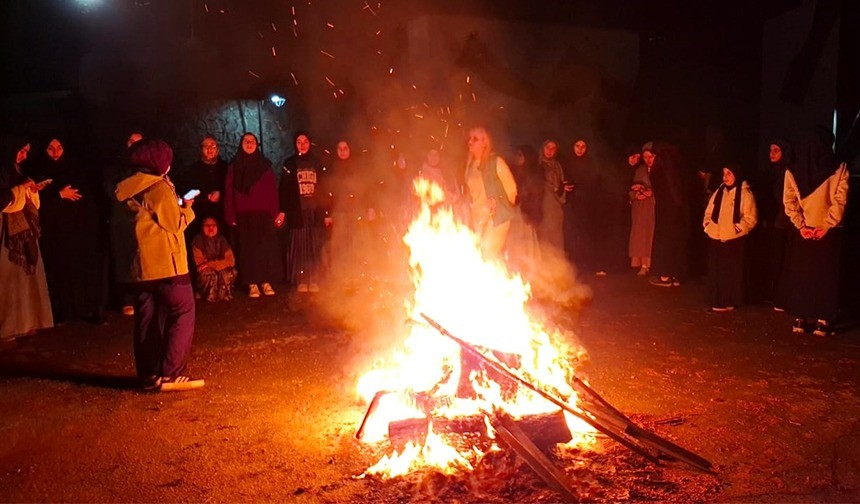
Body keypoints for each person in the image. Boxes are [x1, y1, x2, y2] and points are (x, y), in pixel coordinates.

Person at [113, 138, 203, 391]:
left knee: (146, 317)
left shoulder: (124, 186)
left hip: (140, 267)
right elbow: (174, 223)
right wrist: (187, 208)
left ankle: (149, 375)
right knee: (183, 310)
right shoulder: (157, 187)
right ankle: (173, 372)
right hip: (167, 264)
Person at [779, 129, 849, 337]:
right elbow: (840, 200)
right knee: (824, 278)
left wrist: (801, 225)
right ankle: (823, 320)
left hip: (805, 232)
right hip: (829, 232)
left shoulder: (792, 170)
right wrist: (827, 224)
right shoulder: (839, 168)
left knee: (803, 275)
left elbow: (788, 201)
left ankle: (800, 318)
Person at [30, 137, 106, 325]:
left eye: (59, 147)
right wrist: (57, 194)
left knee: (82, 268)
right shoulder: (38, 172)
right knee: (59, 270)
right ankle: (61, 312)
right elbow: (34, 202)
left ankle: (88, 309)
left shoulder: (75, 170)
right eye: (50, 148)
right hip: (54, 232)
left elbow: (87, 199)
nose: (55, 152)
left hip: (78, 230)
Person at [0, 139, 54, 341]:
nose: (23, 156)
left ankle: (27, 322)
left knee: (25, 280)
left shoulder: (16, 169)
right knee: (7, 280)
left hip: (23, 232)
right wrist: (18, 189)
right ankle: (8, 327)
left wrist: (30, 190)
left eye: (26, 152)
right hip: (6, 233)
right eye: (21, 151)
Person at [224, 132, 282, 298]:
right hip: (244, 214)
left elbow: (272, 191)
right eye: (245, 141)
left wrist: (275, 212)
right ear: (241, 145)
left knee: (264, 249)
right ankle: (251, 283)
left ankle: (265, 281)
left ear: (257, 145)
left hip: (263, 214)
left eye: (252, 141)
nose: (249, 144)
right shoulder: (234, 167)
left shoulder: (265, 166)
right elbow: (229, 192)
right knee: (248, 251)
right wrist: (231, 215)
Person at [279, 131, 330, 292]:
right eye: (299, 142)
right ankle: (300, 279)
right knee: (299, 248)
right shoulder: (290, 163)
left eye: (305, 141)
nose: (302, 145)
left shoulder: (317, 162)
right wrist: (283, 211)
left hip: (314, 212)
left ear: (310, 143)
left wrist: (326, 212)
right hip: (298, 213)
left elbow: (325, 188)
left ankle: (314, 279)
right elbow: (284, 190)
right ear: (295, 144)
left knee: (314, 248)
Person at [702, 164, 758, 312]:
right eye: (724, 173)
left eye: (729, 173)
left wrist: (736, 230)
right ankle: (717, 299)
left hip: (734, 240)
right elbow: (709, 211)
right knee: (716, 271)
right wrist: (709, 226)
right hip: (717, 237)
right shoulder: (719, 192)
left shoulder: (745, 193)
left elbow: (750, 218)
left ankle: (730, 300)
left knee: (732, 272)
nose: (725, 177)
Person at [463, 126, 518, 260]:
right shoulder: (470, 166)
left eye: (475, 139)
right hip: (477, 217)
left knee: (486, 255)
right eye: (469, 138)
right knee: (478, 255)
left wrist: (498, 205)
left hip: (496, 219)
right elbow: (470, 193)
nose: (470, 142)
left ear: (485, 142)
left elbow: (512, 190)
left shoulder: (496, 162)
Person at [648, 142, 691, 287]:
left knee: (664, 240)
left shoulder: (663, 163)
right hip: (679, 211)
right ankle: (676, 274)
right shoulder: (679, 163)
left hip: (666, 210)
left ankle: (664, 274)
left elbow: (667, 186)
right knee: (676, 240)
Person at [179, 135, 228, 237]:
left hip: (222, 217)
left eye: (213, 146)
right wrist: (206, 196)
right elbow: (185, 193)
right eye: (206, 146)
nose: (209, 149)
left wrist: (221, 195)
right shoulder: (192, 170)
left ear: (218, 150)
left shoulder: (226, 168)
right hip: (198, 218)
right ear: (201, 149)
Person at [564, 138, 598, 273]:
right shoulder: (566, 162)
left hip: (586, 204)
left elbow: (594, 183)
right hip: (570, 204)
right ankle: (571, 264)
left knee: (585, 233)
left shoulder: (591, 163)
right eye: (577, 145)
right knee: (572, 233)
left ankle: (585, 263)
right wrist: (564, 187)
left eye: (583, 146)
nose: (580, 149)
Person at [192, 217, 236, 302]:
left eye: (213, 225)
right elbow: (200, 264)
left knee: (229, 272)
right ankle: (205, 294)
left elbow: (231, 260)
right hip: (206, 273)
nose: (210, 228)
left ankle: (224, 294)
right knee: (208, 273)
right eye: (207, 225)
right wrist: (215, 265)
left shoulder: (222, 240)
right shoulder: (197, 242)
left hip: (215, 267)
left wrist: (211, 264)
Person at [536, 139, 569, 253]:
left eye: (553, 148)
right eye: (547, 147)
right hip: (542, 204)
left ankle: (557, 264)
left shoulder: (557, 165)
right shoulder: (537, 164)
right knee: (543, 235)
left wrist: (561, 192)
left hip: (555, 205)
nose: (550, 151)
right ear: (542, 148)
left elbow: (561, 182)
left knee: (556, 235)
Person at [628, 146, 655, 276]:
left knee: (650, 235)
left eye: (651, 156)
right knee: (639, 235)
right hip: (640, 207)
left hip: (653, 208)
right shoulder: (640, 170)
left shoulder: (660, 170)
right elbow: (633, 187)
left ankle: (649, 264)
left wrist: (651, 193)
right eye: (645, 157)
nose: (648, 160)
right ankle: (641, 264)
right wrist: (636, 194)